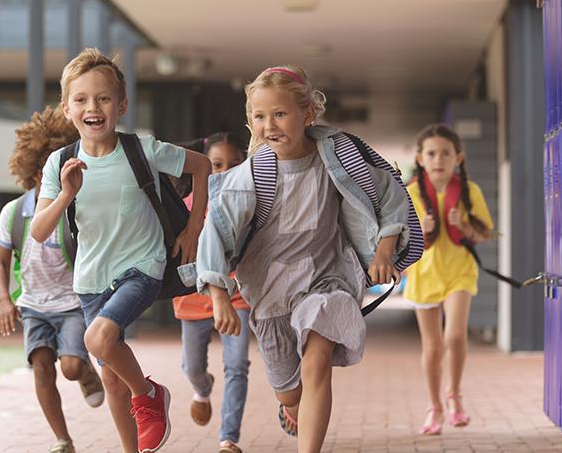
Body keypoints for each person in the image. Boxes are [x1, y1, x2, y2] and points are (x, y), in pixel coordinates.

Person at [197, 66, 421, 453]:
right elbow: (214, 230)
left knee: (317, 358)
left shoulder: (339, 160)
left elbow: (389, 195)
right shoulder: (251, 174)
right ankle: (292, 405)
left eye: (280, 114)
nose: (270, 125)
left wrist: (384, 251)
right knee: (288, 391)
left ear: (308, 114)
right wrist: (219, 295)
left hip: (328, 276)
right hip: (270, 292)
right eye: (259, 116)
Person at [32, 48, 212, 453]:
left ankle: (148, 394)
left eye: (103, 98)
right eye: (80, 99)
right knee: (111, 375)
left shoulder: (142, 150)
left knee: (98, 339)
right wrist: (65, 195)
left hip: (143, 267)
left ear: (122, 104)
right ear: (66, 108)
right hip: (91, 279)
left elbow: (201, 166)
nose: (92, 107)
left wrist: (195, 227)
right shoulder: (59, 162)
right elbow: (40, 232)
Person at [0, 105, 106, 453]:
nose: (50, 177)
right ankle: (62, 439)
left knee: (69, 367)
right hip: (34, 306)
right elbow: (0, 264)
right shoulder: (14, 213)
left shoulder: (75, 210)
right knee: (41, 366)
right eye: (44, 170)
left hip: (72, 304)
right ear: (33, 170)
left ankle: (85, 371)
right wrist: (4, 299)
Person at [403, 123, 493, 435]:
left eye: (445, 153)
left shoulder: (471, 192)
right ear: (420, 158)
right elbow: (400, 242)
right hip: (424, 275)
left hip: (459, 272)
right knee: (432, 347)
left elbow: (484, 234)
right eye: (431, 153)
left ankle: (454, 396)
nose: (438, 159)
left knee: (454, 336)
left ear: (459, 158)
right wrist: (422, 230)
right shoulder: (411, 193)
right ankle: (434, 407)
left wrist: (464, 226)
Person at [172, 132, 251, 453]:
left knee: (237, 365)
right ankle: (202, 390)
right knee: (192, 367)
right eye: (216, 165)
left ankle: (228, 439)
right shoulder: (184, 207)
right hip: (193, 297)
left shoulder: (251, 204)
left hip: (236, 295)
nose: (225, 171)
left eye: (234, 164)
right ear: (203, 168)